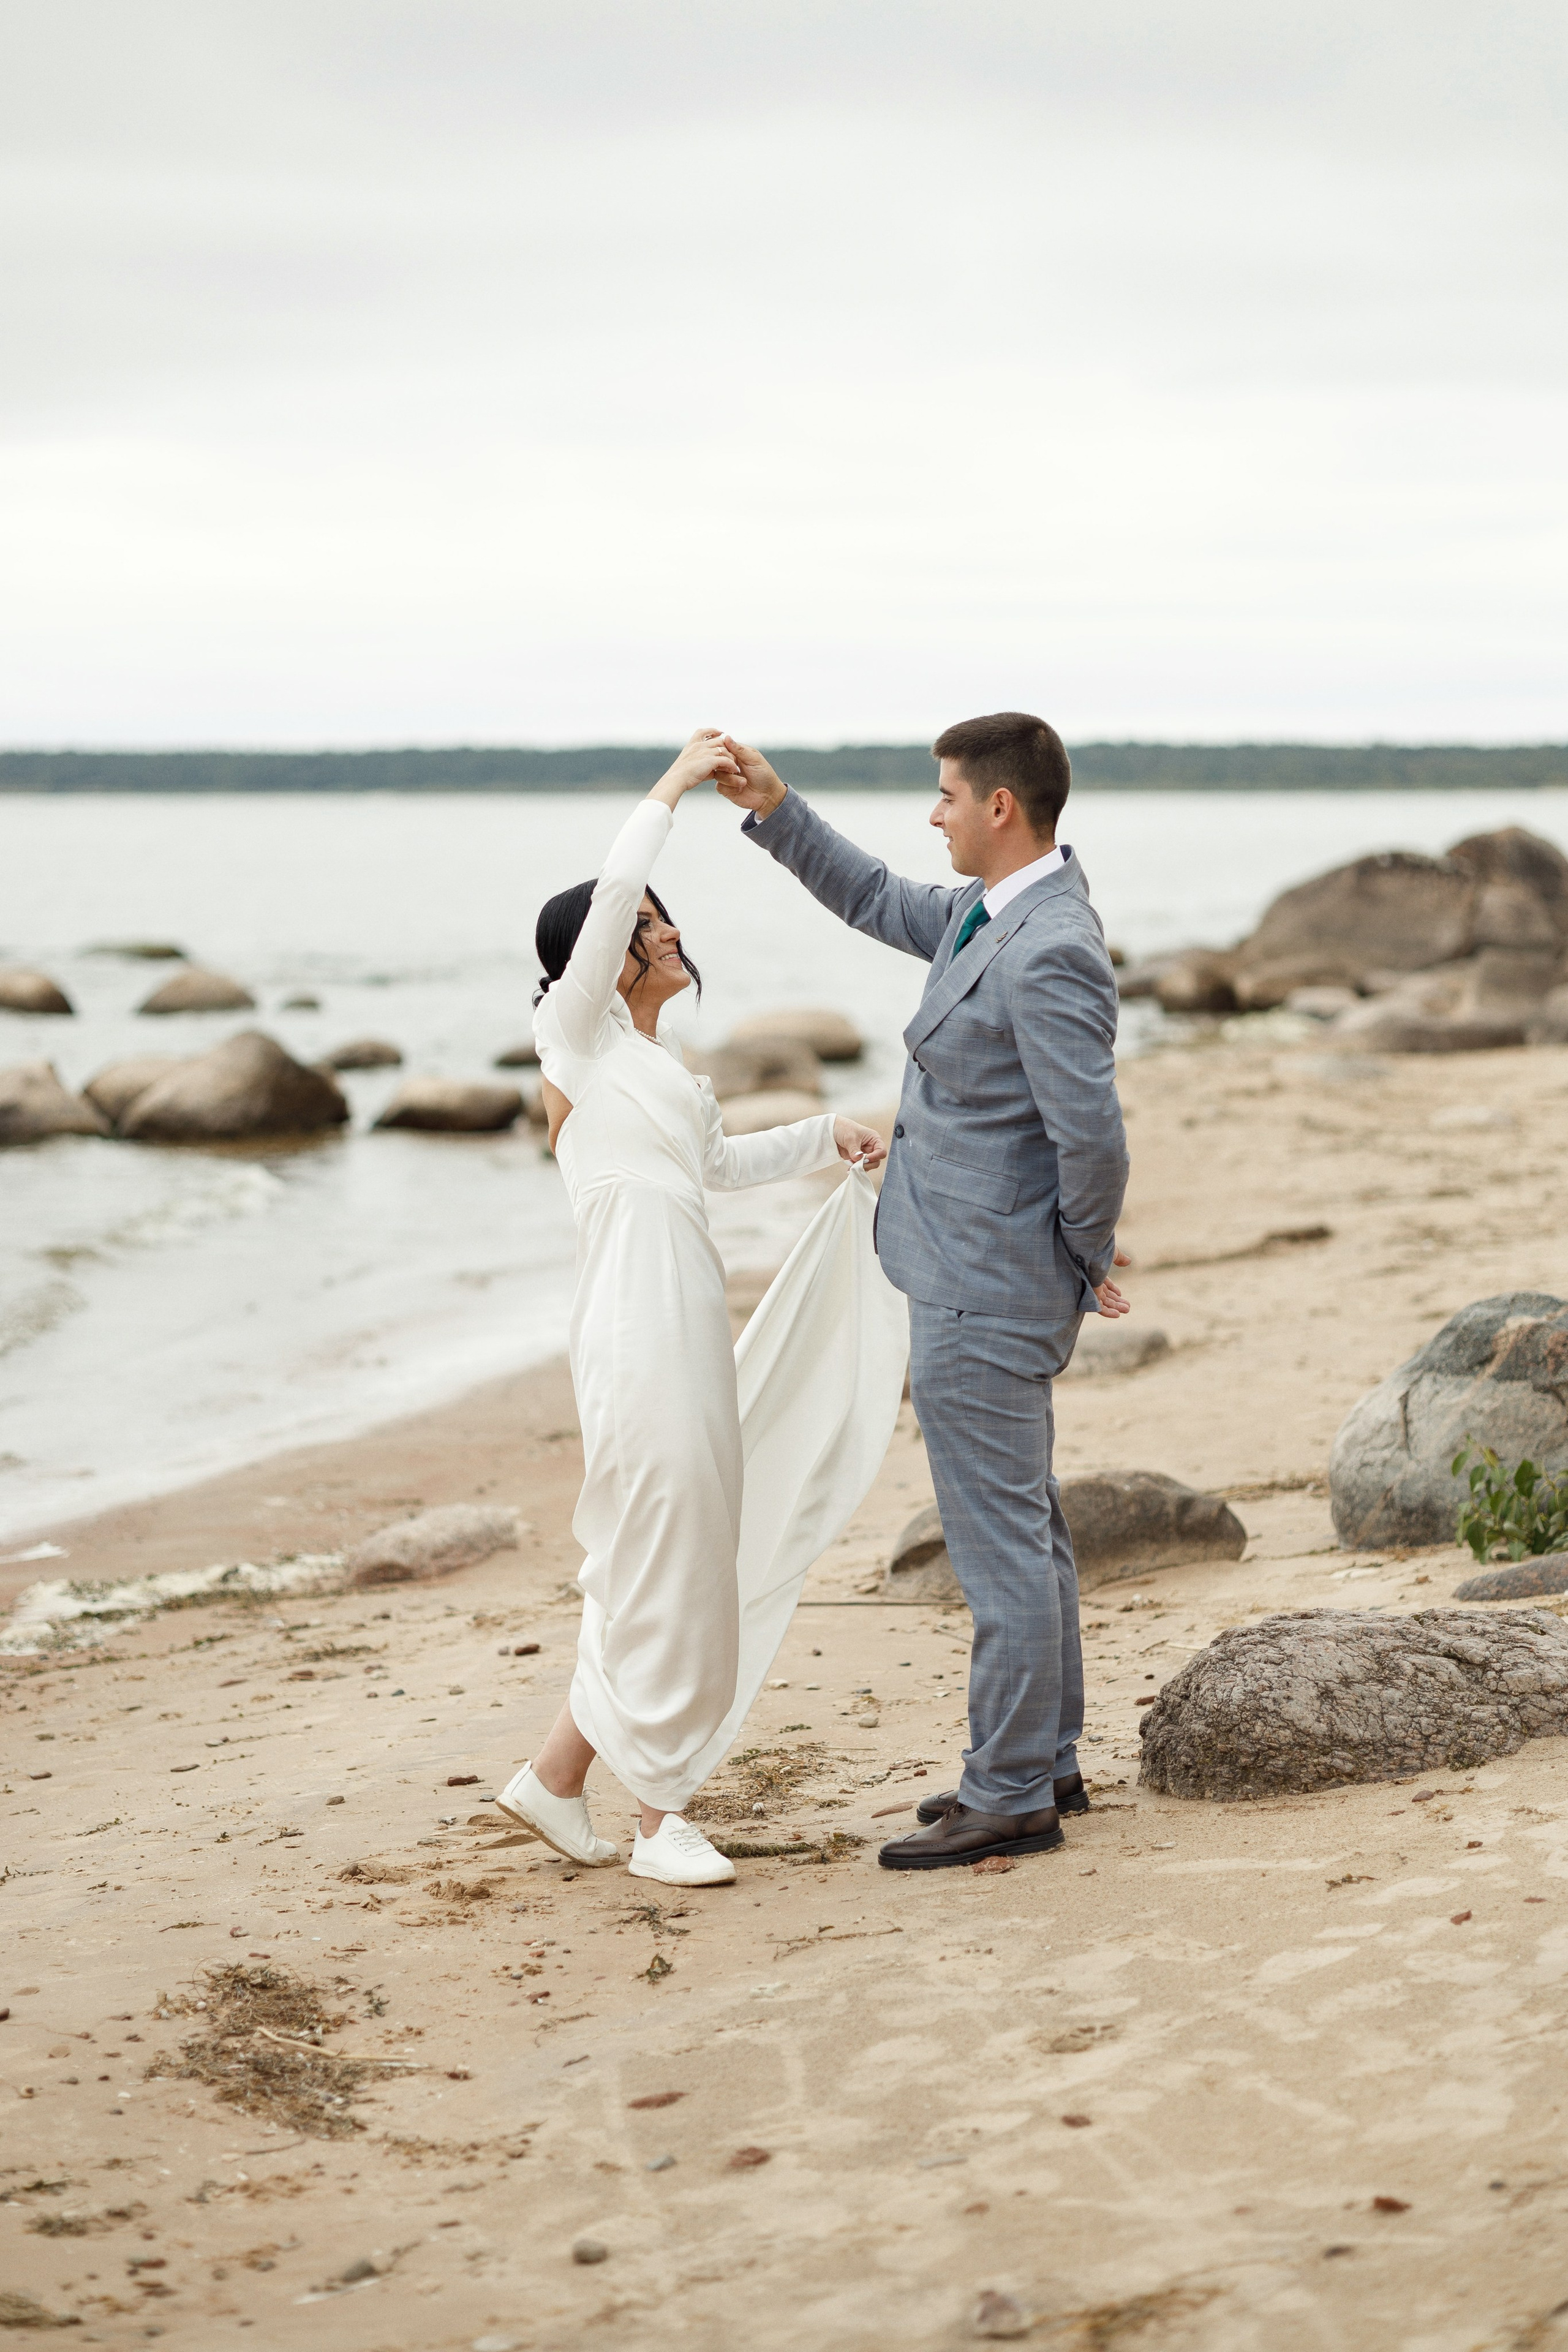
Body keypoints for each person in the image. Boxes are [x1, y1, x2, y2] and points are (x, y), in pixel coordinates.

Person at [718, 712, 1130, 1871]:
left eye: (947, 795)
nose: (935, 813)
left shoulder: (1050, 945)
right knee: (1029, 1528)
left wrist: (1080, 1258)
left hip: (989, 1285)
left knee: (998, 1543)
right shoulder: (983, 911)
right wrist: (775, 808)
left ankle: (1009, 1794)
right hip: (968, 1268)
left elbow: (1091, 1137)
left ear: (1002, 807)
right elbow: (870, 896)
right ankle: (1042, 1759)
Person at [498, 729, 907, 1889]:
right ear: (605, 951)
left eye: (670, 919)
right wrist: (673, 787)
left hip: (683, 1314)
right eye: (649, 924)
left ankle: (554, 1781)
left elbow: (717, 1165)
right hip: (632, 1325)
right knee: (672, 1551)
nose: (671, 931)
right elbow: (617, 886)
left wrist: (826, 1135)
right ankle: (660, 1813)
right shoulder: (571, 1037)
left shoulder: (661, 1070)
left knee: (664, 1549)